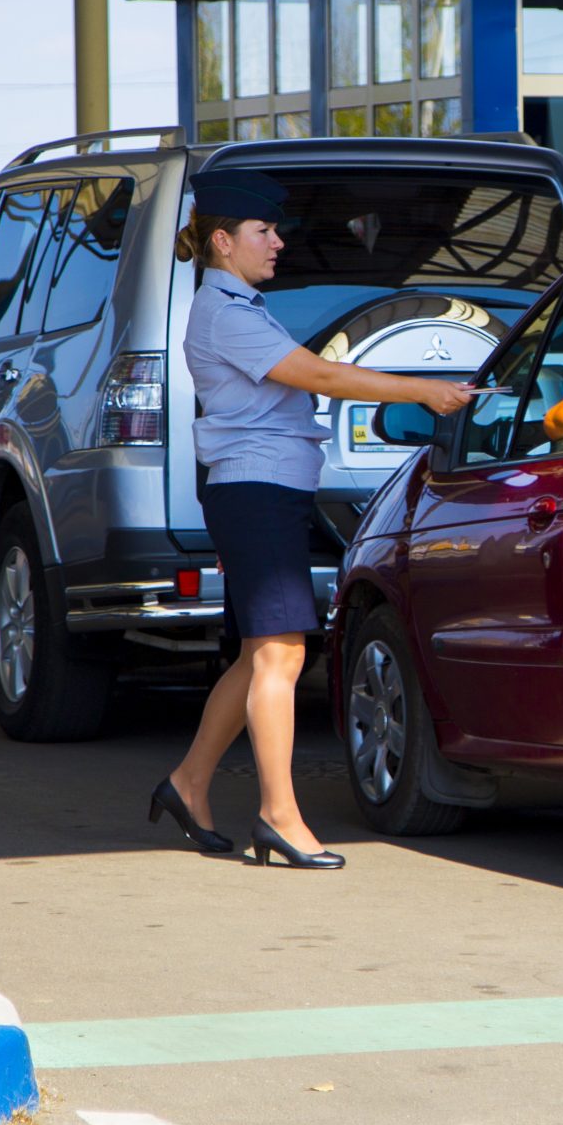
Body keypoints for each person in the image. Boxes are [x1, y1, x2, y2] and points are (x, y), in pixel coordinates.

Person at [148, 168, 475, 869]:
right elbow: (321, 376)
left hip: (264, 490)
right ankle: (278, 815)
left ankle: (188, 783)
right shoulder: (228, 312)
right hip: (255, 491)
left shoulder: (239, 302)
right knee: (282, 653)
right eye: (265, 232)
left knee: (258, 655)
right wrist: (425, 390)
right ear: (225, 241)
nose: (279, 242)